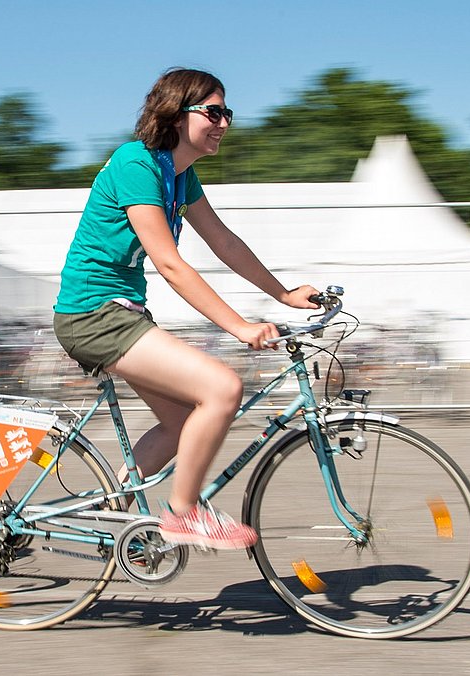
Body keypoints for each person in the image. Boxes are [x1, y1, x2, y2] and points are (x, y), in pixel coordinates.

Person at [53, 68, 320, 549]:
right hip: (92, 315)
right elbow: (170, 264)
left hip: (122, 313)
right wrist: (239, 326)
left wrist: (283, 294)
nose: (224, 123)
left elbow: (223, 242)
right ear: (176, 115)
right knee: (222, 388)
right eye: (213, 113)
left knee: (182, 426)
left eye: (227, 113)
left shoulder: (179, 175)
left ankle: (114, 519)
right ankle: (184, 513)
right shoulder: (136, 164)